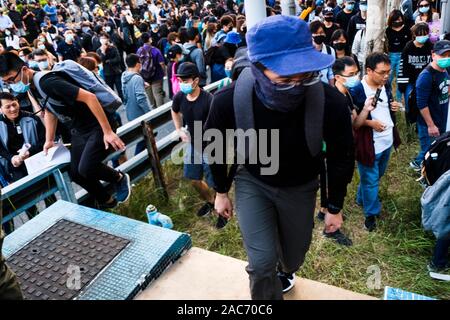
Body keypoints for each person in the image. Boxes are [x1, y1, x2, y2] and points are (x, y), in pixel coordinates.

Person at [204, 15, 354, 299]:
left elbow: (341, 156)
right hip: (253, 181)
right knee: (261, 265)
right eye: (285, 78)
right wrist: (221, 191)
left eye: (306, 75)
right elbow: (215, 148)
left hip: (301, 185)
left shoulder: (329, 102)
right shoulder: (228, 101)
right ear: (258, 69)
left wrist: (334, 205)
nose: (297, 85)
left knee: (294, 256)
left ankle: (287, 268)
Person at [0, 52, 131, 211]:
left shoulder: (48, 82)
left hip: (98, 124)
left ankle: (118, 178)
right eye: (6, 82)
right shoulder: (32, 87)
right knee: (75, 172)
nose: (12, 85)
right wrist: (49, 140)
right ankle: (107, 200)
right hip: (79, 129)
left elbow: (90, 98)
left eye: (12, 80)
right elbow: (49, 111)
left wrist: (108, 132)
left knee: (86, 168)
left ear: (25, 70)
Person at [349, 53, 401, 232]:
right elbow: (354, 123)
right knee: (371, 181)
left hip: (386, 141)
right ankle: (371, 214)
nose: (387, 76)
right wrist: (370, 122)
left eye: (389, 72)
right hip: (368, 144)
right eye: (382, 72)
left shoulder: (384, 85)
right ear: (369, 71)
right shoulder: (356, 90)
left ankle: (361, 198)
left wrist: (393, 106)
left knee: (376, 176)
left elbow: (386, 105)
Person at [170, 62, 227, 229]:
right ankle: (210, 202)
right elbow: (174, 110)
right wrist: (179, 129)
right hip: (193, 145)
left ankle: (221, 212)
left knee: (215, 183)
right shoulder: (180, 97)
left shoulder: (209, 100)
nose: (182, 83)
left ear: (196, 81)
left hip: (211, 146)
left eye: (185, 80)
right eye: (180, 80)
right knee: (194, 179)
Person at [411, 40, 450, 170]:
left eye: (449, 55)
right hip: (429, 122)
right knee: (429, 150)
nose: (446, 58)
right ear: (433, 55)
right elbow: (421, 104)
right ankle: (420, 167)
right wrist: (431, 125)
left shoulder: (445, 70)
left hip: (441, 118)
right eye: (443, 55)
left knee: (437, 148)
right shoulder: (426, 76)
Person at [398, 23, 433, 122]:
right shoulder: (408, 47)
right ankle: (410, 125)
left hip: (426, 81)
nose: (422, 37)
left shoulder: (430, 46)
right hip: (410, 81)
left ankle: (421, 124)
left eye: (424, 34)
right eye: (420, 34)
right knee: (409, 104)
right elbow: (402, 67)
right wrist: (402, 86)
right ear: (414, 35)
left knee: (424, 103)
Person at [122, 53, 152, 155]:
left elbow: (126, 92)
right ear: (137, 64)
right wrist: (149, 113)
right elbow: (141, 99)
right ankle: (138, 160)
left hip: (130, 111)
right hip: (140, 113)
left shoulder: (124, 75)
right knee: (143, 139)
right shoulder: (137, 78)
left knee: (142, 138)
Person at [386, 10, 412, 102]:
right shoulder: (387, 30)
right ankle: (387, 97)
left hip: (403, 56)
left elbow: (410, 43)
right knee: (388, 78)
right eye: (395, 20)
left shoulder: (407, 30)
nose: (398, 22)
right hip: (390, 55)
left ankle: (398, 100)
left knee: (400, 79)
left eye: (399, 20)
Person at [136, 32, 166, 108]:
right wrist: (164, 72)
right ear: (149, 39)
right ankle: (161, 112)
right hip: (157, 75)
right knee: (158, 93)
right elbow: (162, 63)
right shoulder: (155, 50)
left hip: (145, 76)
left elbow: (138, 63)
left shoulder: (139, 51)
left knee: (149, 94)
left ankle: (153, 109)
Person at [97, 32, 124, 100]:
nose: (103, 39)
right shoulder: (99, 50)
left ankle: (123, 100)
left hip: (116, 71)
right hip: (107, 73)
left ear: (108, 39)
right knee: (111, 90)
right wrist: (103, 52)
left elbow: (118, 58)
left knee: (120, 88)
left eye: (104, 38)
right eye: (101, 38)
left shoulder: (113, 48)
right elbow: (100, 61)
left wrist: (108, 61)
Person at [310, 20, 335, 86]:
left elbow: (330, 73)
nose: (319, 35)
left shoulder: (330, 50)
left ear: (325, 34)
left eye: (321, 32)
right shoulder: (306, 51)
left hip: (325, 86)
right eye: (316, 33)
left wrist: (332, 88)